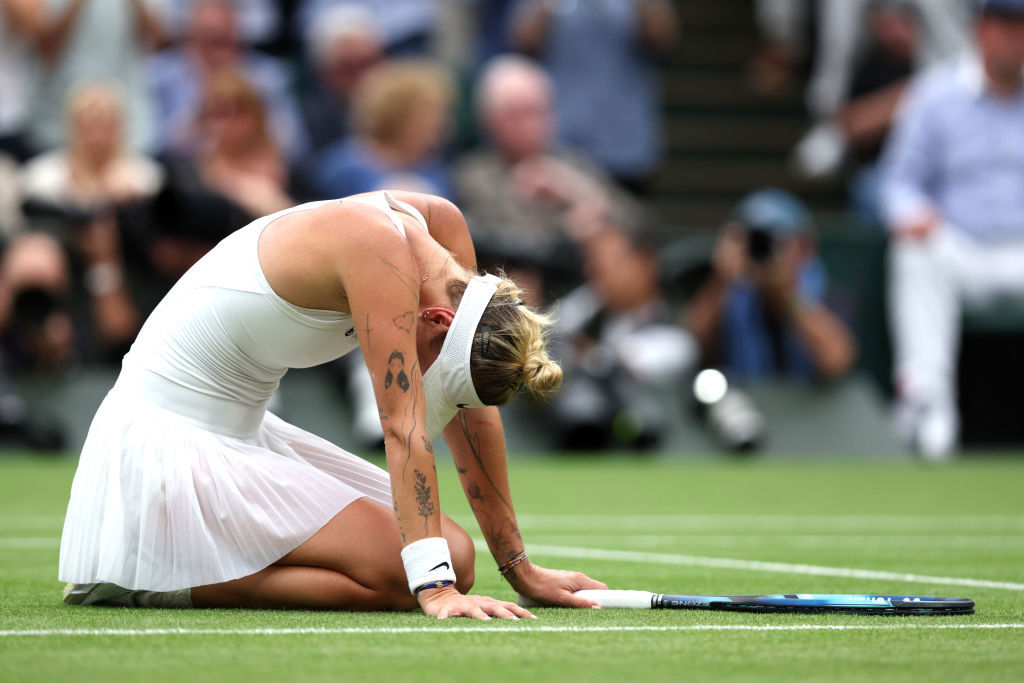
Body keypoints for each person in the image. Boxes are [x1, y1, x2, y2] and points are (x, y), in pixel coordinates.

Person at [60, 190, 607, 617]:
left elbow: (470, 413)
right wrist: (433, 589)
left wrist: (519, 567)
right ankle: (152, 574)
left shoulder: (445, 240)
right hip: (171, 441)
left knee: (457, 557)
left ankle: (168, 562)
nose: (430, 379)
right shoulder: (378, 249)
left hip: (246, 433)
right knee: (414, 576)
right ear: (441, 322)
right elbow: (403, 426)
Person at [879, 0, 1024, 459]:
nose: (1015, 39)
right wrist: (913, 214)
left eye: (1022, 28)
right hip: (959, 247)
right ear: (981, 31)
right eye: (1006, 26)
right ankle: (927, 416)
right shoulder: (935, 94)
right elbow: (898, 182)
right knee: (916, 253)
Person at [455, 55, 636, 305]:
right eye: (519, 113)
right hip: (522, 298)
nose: (533, 124)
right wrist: (571, 233)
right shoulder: (475, 175)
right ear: (490, 121)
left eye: (540, 111)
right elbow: (508, 245)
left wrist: (575, 191)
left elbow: (637, 225)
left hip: (589, 291)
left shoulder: (572, 164)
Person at [546, 215, 695, 450]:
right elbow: (546, 333)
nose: (595, 271)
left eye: (610, 260)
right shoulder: (582, 307)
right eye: (593, 262)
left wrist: (593, 356)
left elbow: (656, 359)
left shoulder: (674, 332)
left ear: (646, 264)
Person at [685, 188, 856, 384]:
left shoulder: (827, 293)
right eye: (755, 241)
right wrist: (721, 277)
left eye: (777, 241)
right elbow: (694, 342)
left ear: (804, 248)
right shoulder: (730, 292)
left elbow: (837, 361)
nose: (762, 250)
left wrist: (786, 293)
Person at [509, 0, 680, 191]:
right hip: (564, 141)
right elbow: (523, 42)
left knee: (625, 217)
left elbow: (663, 39)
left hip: (625, 144)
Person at [148, 0, 307, 162]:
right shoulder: (159, 75)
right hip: (186, 177)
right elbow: (153, 145)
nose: (220, 46)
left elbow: (293, 146)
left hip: (253, 168)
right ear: (191, 36)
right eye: (212, 38)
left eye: (226, 36)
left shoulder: (267, 75)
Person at [315, 60, 455, 199]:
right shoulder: (343, 168)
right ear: (400, 113)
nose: (440, 122)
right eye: (429, 113)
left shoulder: (435, 170)